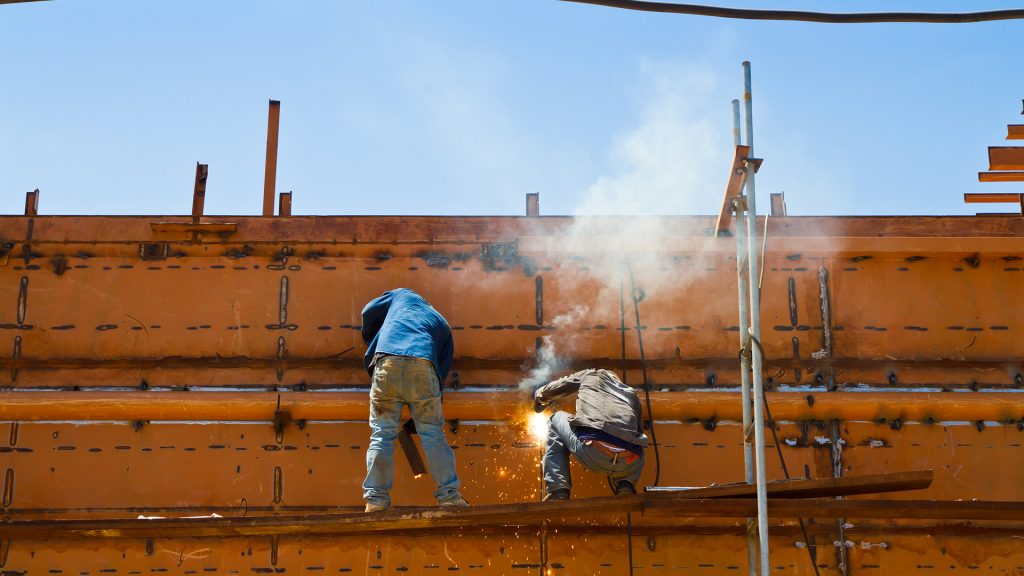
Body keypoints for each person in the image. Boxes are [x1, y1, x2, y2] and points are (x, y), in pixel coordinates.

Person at [360, 288, 468, 512]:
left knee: (381, 434)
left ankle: (376, 501)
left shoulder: (401, 295)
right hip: (424, 367)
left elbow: (368, 311)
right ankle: (449, 497)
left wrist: (372, 338)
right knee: (433, 434)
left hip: (386, 363)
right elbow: (441, 371)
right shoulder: (442, 322)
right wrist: (426, 408)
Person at [532, 368, 647, 500]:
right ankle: (626, 485)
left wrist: (540, 396)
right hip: (628, 465)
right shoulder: (631, 393)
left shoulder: (592, 374)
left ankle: (558, 490)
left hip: (593, 453)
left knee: (555, 418)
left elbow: (562, 385)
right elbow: (638, 432)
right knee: (638, 443)